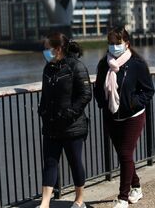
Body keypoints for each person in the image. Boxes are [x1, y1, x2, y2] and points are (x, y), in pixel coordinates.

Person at [93, 27, 155, 208]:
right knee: (124, 156)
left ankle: (122, 197)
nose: (113, 47)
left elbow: (148, 90)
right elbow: (98, 89)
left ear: (126, 43)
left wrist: (133, 103)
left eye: (117, 43)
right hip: (111, 116)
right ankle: (136, 187)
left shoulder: (137, 64)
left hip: (133, 116)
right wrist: (103, 105)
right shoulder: (104, 64)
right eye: (110, 43)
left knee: (126, 154)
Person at [37, 32, 92, 208]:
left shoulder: (76, 67)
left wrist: (69, 113)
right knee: (50, 163)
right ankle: (44, 203)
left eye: (47, 48)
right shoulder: (48, 68)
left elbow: (85, 95)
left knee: (75, 162)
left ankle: (79, 200)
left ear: (58, 49)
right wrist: (43, 110)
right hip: (51, 125)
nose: (45, 52)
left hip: (72, 126)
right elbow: (46, 95)